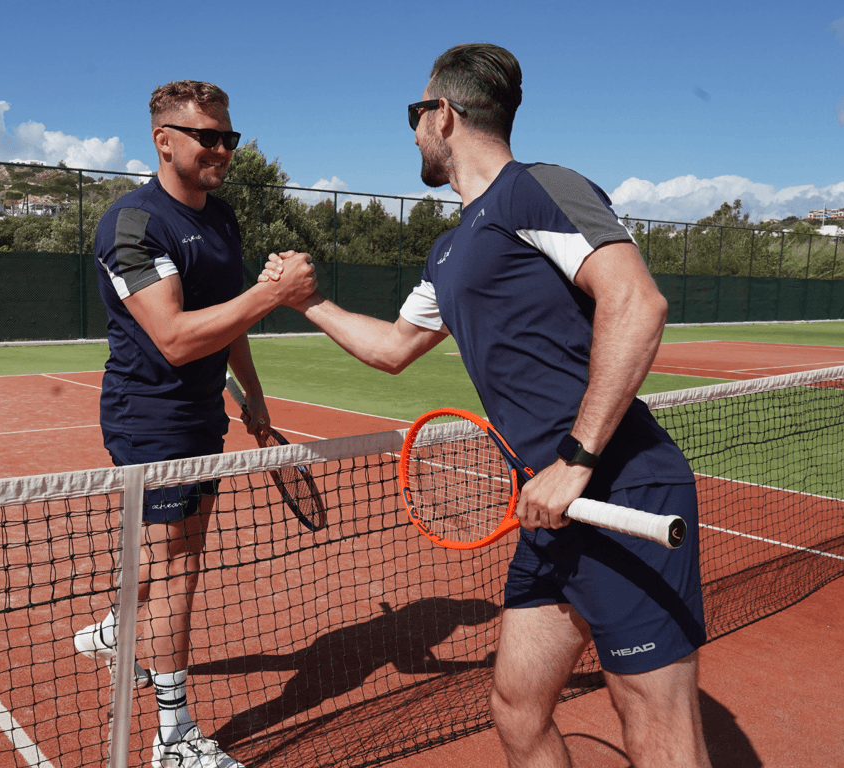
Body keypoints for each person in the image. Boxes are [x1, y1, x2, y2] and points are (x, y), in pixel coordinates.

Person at [263, 44, 710, 768]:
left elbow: (637, 300)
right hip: (549, 510)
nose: (411, 132)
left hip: (619, 488)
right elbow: (393, 347)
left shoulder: (539, 188)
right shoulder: (450, 249)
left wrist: (575, 460)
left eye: (415, 114)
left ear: (445, 114)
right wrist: (308, 303)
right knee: (516, 708)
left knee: (653, 718)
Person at [77, 79, 316, 768]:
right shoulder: (133, 225)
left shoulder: (222, 218)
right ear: (164, 141)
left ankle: (122, 627)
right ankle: (174, 738)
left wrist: (256, 395)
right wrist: (273, 293)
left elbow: (228, 316)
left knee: (170, 555)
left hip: (202, 417)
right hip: (150, 422)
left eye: (229, 137)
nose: (222, 149)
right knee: (182, 567)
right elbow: (178, 337)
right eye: (207, 137)